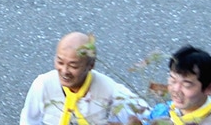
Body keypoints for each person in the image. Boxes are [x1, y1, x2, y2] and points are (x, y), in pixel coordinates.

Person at [18, 32, 147, 125]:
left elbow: (147, 117)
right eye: (60, 62)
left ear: (91, 65)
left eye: (73, 66)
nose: (64, 71)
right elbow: (29, 120)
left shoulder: (112, 92)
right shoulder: (43, 84)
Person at [146, 47, 211, 125]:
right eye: (173, 80)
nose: (176, 89)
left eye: (186, 84)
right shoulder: (161, 111)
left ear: (208, 88)